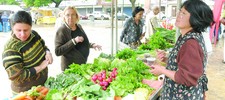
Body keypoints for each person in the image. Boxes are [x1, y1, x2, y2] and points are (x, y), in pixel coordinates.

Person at [144, 0, 214, 99]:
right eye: (179, 11)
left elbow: (186, 77)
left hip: (183, 95)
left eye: (183, 13)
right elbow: (185, 63)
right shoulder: (188, 36)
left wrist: (162, 70)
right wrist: (168, 59)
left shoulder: (190, 43)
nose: (178, 15)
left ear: (195, 18)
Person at [2, 11, 53, 95]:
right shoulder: (10, 49)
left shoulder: (34, 35)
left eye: (26, 30)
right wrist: (40, 67)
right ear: (12, 28)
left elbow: (43, 46)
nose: (22, 34)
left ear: (31, 27)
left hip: (42, 85)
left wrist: (48, 52)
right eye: (18, 30)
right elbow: (17, 76)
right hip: (25, 92)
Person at [55, 6, 102, 71]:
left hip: (82, 65)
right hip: (70, 68)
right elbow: (58, 51)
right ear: (64, 17)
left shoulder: (79, 26)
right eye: (67, 15)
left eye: (73, 15)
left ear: (76, 16)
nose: (70, 17)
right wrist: (73, 41)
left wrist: (92, 45)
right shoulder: (62, 30)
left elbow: (82, 42)